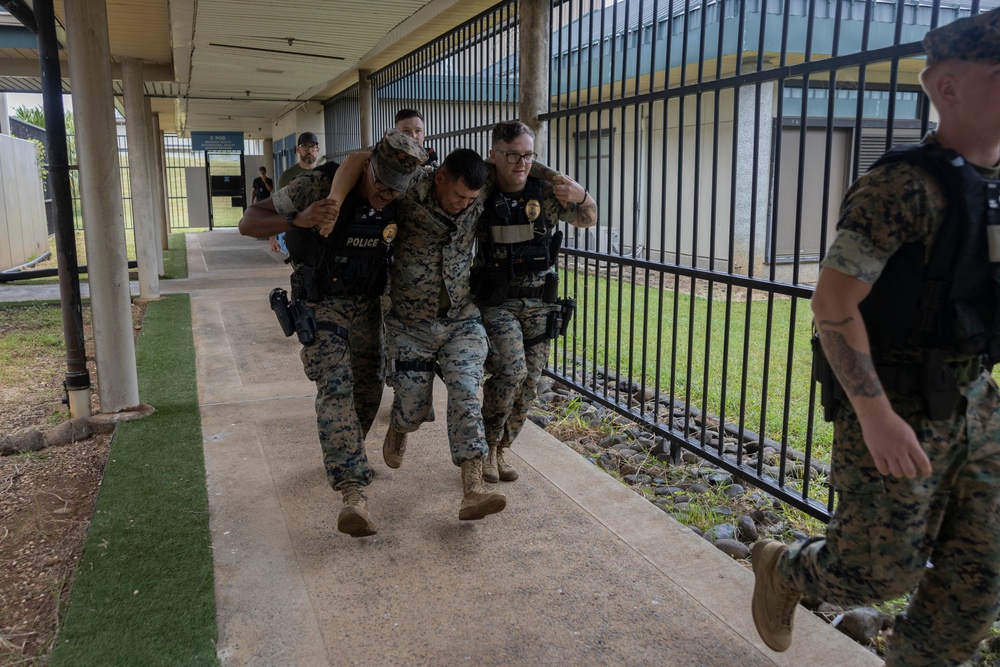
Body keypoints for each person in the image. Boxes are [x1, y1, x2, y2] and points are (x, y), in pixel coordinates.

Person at [751, 10, 1000, 666]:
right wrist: (877, 418)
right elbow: (834, 305)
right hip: (894, 409)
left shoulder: (995, 187)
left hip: (976, 401)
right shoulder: (902, 185)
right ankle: (786, 568)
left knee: (979, 577)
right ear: (948, 88)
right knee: (877, 573)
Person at [238, 129, 427, 538]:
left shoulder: (398, 192)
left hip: (369, 308)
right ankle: (353, 492)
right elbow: (248, 222)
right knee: (336, 389)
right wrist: (296, 220)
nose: (386, 195)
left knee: (366, 395)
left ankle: (346, 452)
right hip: (322, 305)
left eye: (396, 190)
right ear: (371, 165)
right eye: (381, 184)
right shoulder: (318, 184)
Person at [327, 148, 503, 520]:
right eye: (458, 196)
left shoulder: (480, 188)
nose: (462, 205)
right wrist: (333, 201)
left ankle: (473, 486)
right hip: (410, 324)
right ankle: (401, 427)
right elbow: (362, 159)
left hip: (459, 319)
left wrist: (565, 185)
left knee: (467, 389)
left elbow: (518, 160)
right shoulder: (408, 188)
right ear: (439, 177)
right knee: (410, 403)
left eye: (470, 200)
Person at [475, 121, 597, 483]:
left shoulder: (545, 194)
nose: (521, 163)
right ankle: (484, 448)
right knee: (510, 372)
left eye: (528, 155)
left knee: (530, 380)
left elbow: (588, 219)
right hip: (498, 303)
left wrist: (581, 194)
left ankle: (501, 450)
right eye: (512, 155)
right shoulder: (481, 191)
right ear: (494, 154)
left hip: (539, 305)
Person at [269, 132, 322, 253]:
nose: (309, 150)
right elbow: (278, 207)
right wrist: (272, 237)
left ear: (318, 149)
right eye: (305, 146)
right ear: (298, 149)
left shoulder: (325, 172)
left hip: (322, 233)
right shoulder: (287, 176)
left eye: (313, 146)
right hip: (297, 232)